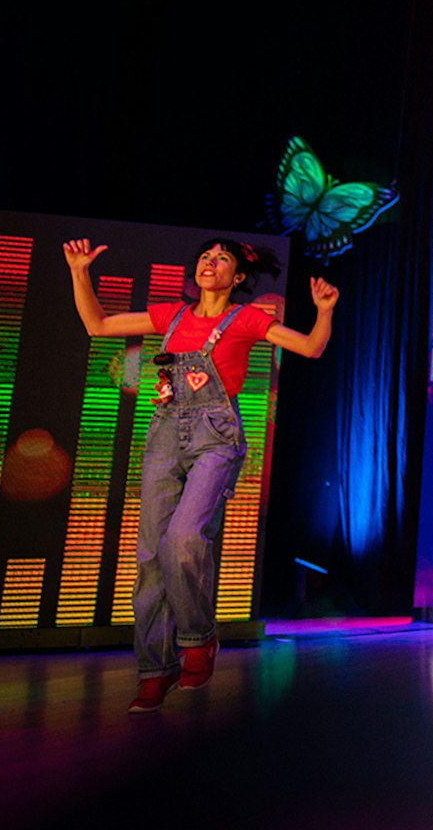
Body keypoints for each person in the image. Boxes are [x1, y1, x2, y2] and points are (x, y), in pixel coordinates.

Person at [63, 237, 337, 712]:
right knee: (150, 553)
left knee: (183, 539)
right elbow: (97, 324)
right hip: (166, 430)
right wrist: (79, 271)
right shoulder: (172, 315)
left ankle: (198, 637)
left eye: (222, 259)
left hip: (216, 434)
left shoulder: (248, 318)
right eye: (206, 257)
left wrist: (324, 310)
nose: (210, 263)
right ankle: (156, 668)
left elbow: (311, 348)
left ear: (236, 278)